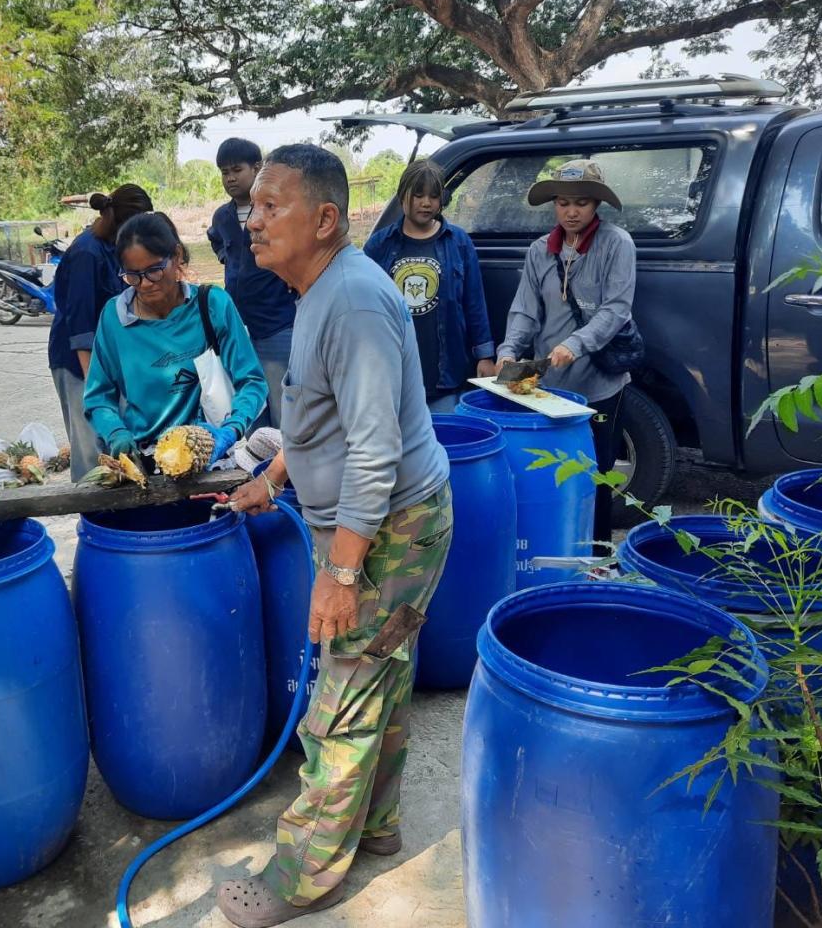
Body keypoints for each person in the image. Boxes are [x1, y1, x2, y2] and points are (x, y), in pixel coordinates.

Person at [221, 145, 454, 927]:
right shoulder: (320, 290)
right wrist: (275, 475)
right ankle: (377, 825)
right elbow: (321, 414)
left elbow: (375, 450)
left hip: (391, 530)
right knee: (380, 673)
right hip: (376, 523)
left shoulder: (351, 301)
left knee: (343, 697)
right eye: (253, 206)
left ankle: (302, 874)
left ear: (325, 220)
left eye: (271, 206)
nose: (253, 221)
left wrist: (343, 573)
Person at [490, 159, 636, 546]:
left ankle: (598, 557)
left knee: (597, 475)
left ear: (597, 205)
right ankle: (556, 549)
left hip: (600, 386)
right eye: (563, 202)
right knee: (553, 474)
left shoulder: (617, 244)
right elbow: (525, 311)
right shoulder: (539, 251)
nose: (571, 212)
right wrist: (509, 351)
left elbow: (616, 310)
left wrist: (575, 344)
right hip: (549, 389)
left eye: (582, 203)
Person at [82, 212, 267, 463]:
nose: (145, 284)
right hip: (146, 457)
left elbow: (252, 381)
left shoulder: (212, 305)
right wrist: (115, 432)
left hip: (209, 454)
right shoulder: (115, 318)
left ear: (177, 255)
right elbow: (98, 397)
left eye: (154, 270)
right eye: (133, 275)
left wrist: (232, 428)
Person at [363, 159, 494, 411]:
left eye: (434, 196)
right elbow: (363, 308)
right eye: (418, 195)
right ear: (402, 195)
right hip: (393, 377)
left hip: (445, 377)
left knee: (444, 434)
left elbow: (474, 303)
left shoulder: (458, 242)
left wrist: (485, 356)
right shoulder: (379, 245)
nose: (426, 203)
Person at [47, 184, 153, 479]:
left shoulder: (117, 248)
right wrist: (94, 387)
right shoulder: (87, 253)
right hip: (78, 362)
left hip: (110, 361)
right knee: (90, 446)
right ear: (118, 221)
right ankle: (90, 505)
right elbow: (80, 326)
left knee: (118, 440)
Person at [207, 138, 296, 426]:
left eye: (237, 170)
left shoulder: (275, 211)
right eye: (224, 172)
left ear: (257, 168)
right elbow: (215, 239)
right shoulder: (223, 216)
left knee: (284, 408)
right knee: (250, 405)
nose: (230, 178)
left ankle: (287, 456)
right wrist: (225, 256)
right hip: (239, 329)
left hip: (277, 324)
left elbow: (297, 249)